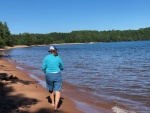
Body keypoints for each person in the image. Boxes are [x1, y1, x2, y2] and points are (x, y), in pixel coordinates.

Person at [42, 45, 64, 111]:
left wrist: (46, 71)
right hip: (57, 75)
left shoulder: (46, 57)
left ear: (49, 51)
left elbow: (43, 67)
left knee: (50, 89)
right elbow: (62, 67)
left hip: (48, 75)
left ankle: (53, 103)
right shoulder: (58, 57)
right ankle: (56, 106)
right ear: (56, 50)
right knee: (57, 90)